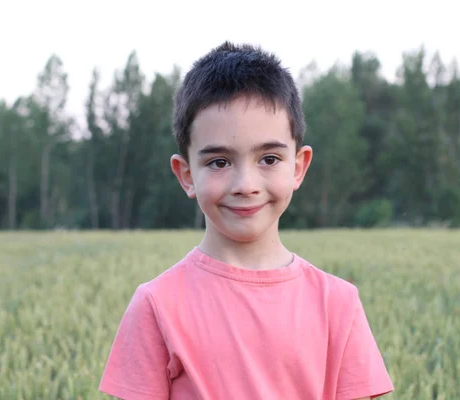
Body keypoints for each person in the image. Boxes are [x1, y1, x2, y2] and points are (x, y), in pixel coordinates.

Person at [99, 41, 394, 400]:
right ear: (186, 173)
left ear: (298, 167)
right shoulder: (156, 305)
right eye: (219, 162)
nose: (245, 186)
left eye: (269, 159)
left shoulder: (338, 304)